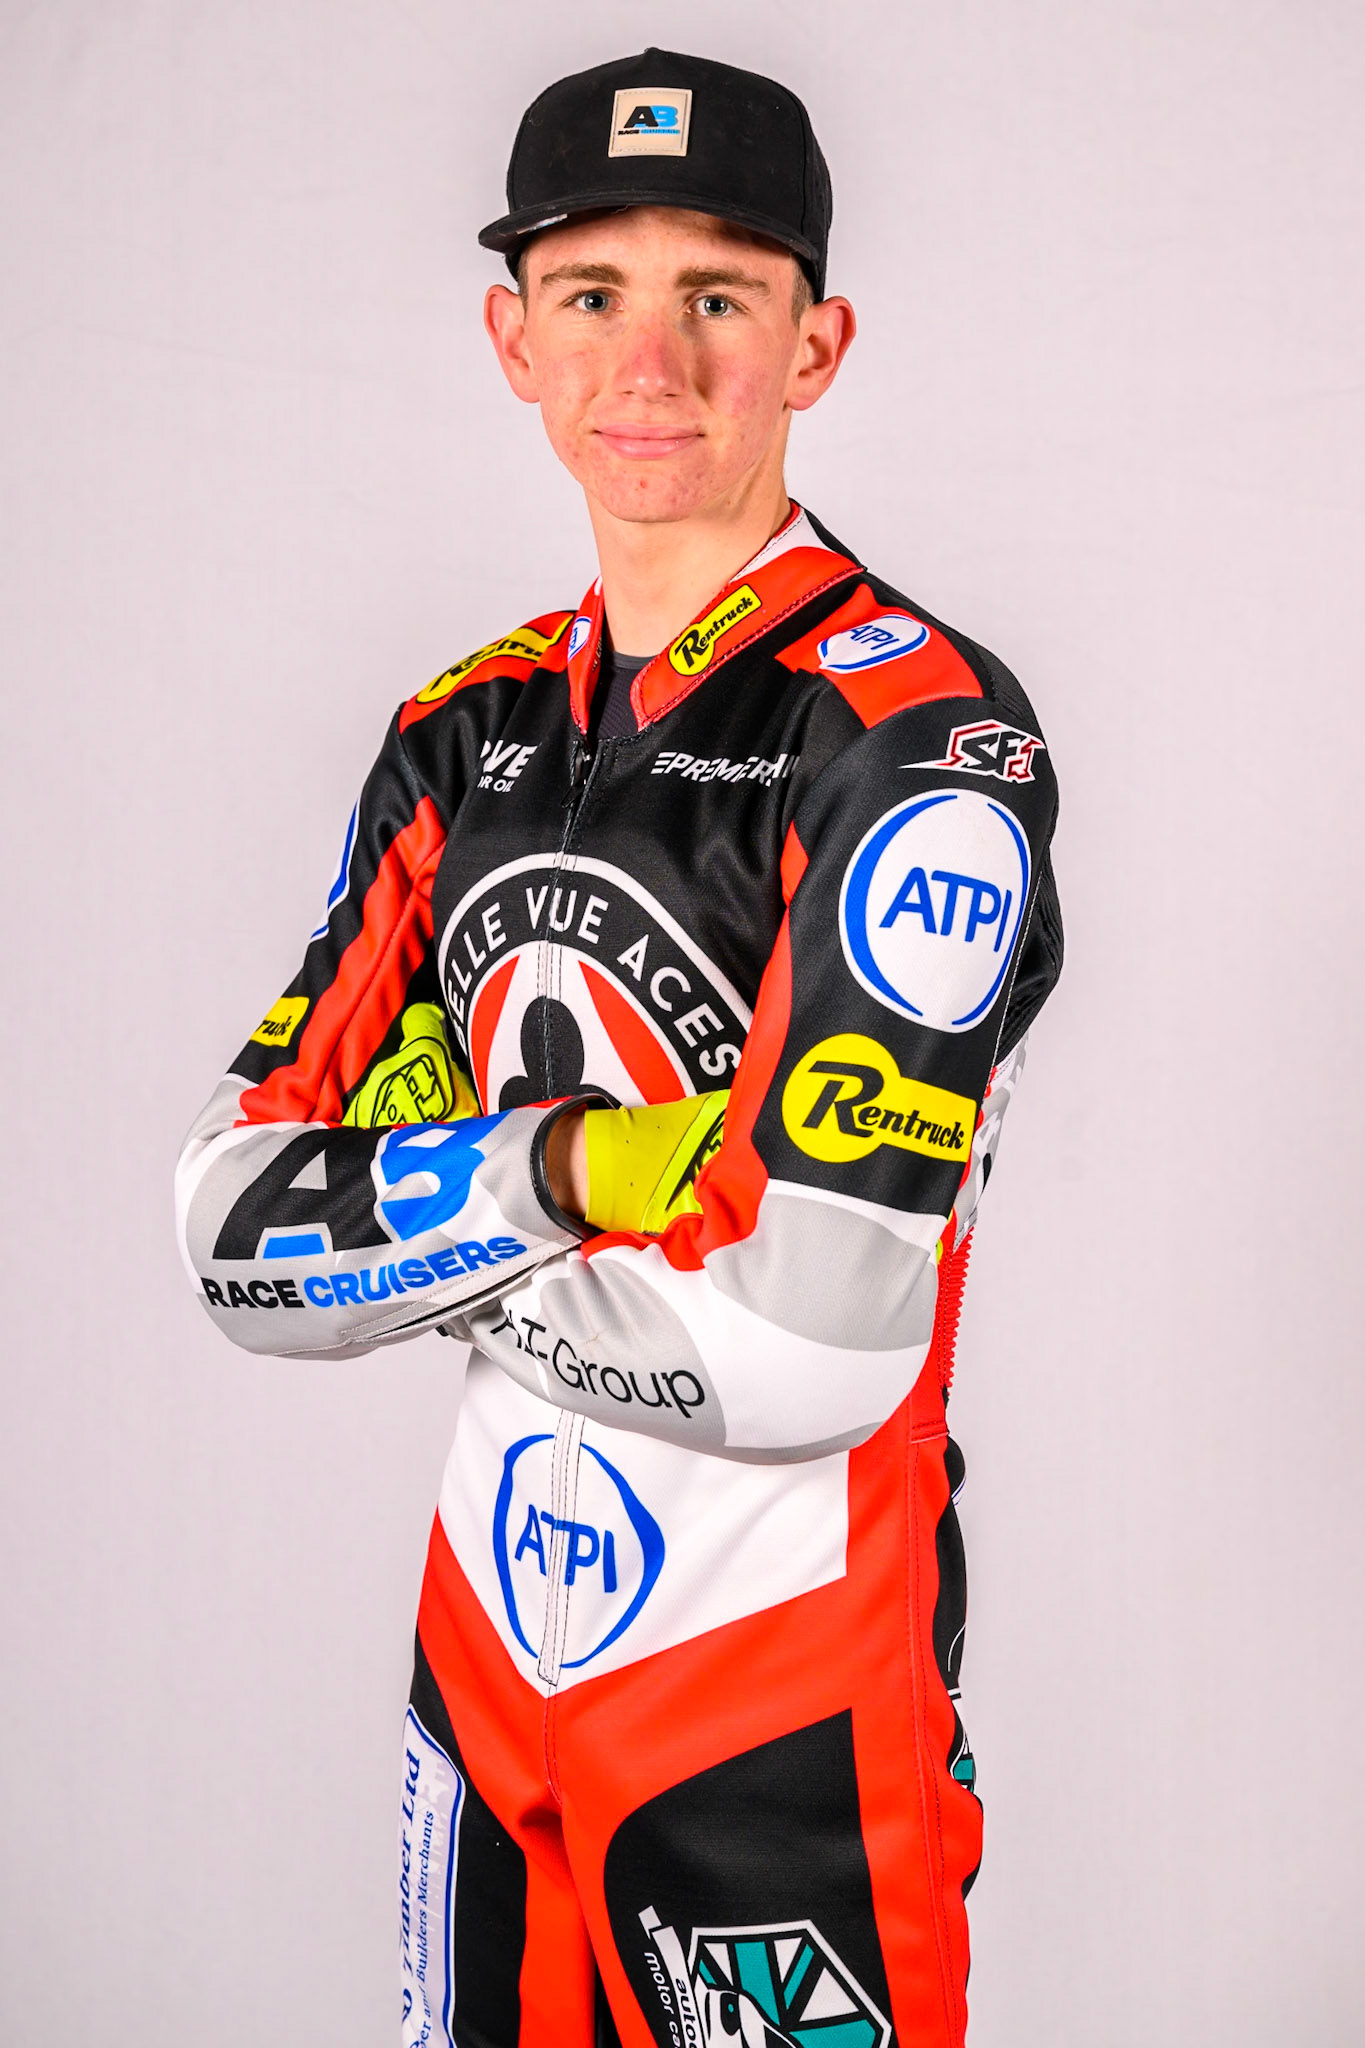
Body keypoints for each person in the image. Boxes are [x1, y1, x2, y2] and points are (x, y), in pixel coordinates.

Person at [176, 46, 1063, 2048]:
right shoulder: (454, 733)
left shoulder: (916, 745)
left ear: (811, 343)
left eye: (715, 296)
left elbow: (809, 1340)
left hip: (772, 1698)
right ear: (512, 338)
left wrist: (409, 1229)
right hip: (483, 1658)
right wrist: (561, 1172)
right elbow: (228, 1234)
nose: (645, 358)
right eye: (590, 292)